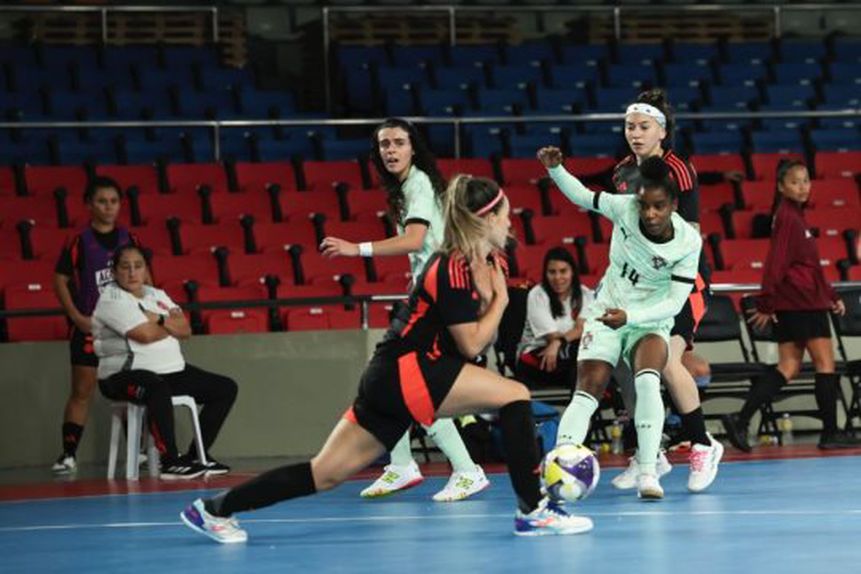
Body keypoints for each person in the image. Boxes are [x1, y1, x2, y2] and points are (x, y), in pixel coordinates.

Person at [180, 175, 594, 543]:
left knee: (324, 473)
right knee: (516, 395)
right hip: (408, 370)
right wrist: (502, 300)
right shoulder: (447, 268)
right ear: (486, 218)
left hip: (392, 377)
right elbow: (470, 346)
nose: (510, 221)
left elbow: (476, 335)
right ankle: (533, 510)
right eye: (504, 213)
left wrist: (493, 294)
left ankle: (214, 509)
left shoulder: (485, 261)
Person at [319, 118, 488, 502]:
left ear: (414, 148)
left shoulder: (419, 184)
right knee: (407, 384)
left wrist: (355, 249)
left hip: (441, 298)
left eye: (398, 143)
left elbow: (414, 239)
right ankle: (410, 465)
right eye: (384, 145)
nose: (391, 150)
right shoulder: (407, 187)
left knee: (404, 383)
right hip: (431, 294)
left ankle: (451, 468)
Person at [538, 147, 701, 500]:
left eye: (659, 206)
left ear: (673, 205)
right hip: (608, 311)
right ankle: (559, 464)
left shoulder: (689, 241)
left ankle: (648, 472)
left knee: (647, 382)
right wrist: (556, 170)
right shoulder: (623, 208)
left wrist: (634, 317)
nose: (651, 213)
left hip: (650, 321)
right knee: (588, 388)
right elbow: (583, 195)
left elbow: (675, 301)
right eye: (645, 205)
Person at [607, 89, 722, 494]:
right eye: (630, 127)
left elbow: (691, 234)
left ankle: (704, 445)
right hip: (639, 288)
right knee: (625, 367)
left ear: (662, 130)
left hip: (683, 282)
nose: (635, 134)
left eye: (644, 127)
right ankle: (649, 455)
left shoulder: (678, 169)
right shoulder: (622, 173)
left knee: (668, 362)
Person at [722, 159, 861, 451]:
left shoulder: (794, 216)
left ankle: (740, 418)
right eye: (795, 182)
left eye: (806, 181)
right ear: (782, 187)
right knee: (825, 364)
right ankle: (830, 432)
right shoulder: (787, 216)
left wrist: (832, 295)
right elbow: (777, 263)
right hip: (801, 303)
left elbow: (809, 266)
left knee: (788, 365)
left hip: (799, 302)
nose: (802, 186)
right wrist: (766, 303)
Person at [92, 245, 238, 478]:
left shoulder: (156, 295)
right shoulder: (112, 299)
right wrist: (169, 325)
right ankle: (169, 461)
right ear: (114, 271)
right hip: (120, 376)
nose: (132, 273)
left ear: (146, 270)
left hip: (171, 372)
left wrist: (158, 319)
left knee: (225, 388)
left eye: (138, 266)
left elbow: (186, 329)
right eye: (125, 267)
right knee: (156, 386)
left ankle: (196, 456)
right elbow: (145, 335)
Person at [51, 176, 142, 474]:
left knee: (132, 387)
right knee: (81, 391)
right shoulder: (79, 241)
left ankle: (137, 452)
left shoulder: (130, 239)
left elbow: (146, 279)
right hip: (91, 329)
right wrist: (77, 317)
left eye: (114, 201)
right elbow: (60, 280)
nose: (108, 207)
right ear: (89, 204)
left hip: (124, 330)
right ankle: (68, 455)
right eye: (102, 201)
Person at [515, 246, 594, 390]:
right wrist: (559, 341)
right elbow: (552, 337)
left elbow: (581, 328)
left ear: (572, 272)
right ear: (545, 273)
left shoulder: (585, 293)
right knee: (585, 357)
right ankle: (608, 402)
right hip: (538, 356)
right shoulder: (537, 294)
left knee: (584, 358)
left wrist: (559, 342)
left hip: (568, 356)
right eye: (552, 272)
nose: (558, 277)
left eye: (563, 271)